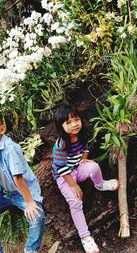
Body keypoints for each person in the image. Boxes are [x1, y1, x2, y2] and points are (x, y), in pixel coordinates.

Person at [0, 110, 45, 253]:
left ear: (2, 129)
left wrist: (30, 202)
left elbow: (17, 178)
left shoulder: (10, 149)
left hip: (23, 194)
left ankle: (31, 249)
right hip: (2, 195)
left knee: (38, 217)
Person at [52, 104, 119, 253]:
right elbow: (60, 168)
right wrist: (74, 185)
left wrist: (84, 159)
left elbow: (86, 148)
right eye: (68, 122)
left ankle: (100, 184)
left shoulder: (82, 135)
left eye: (76, 119)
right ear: (60, 126)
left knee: (93, 166)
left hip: (76, 169)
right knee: (75, 202)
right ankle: (85, 237)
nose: (74, 124)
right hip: (64, 176)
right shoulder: (61, 144)